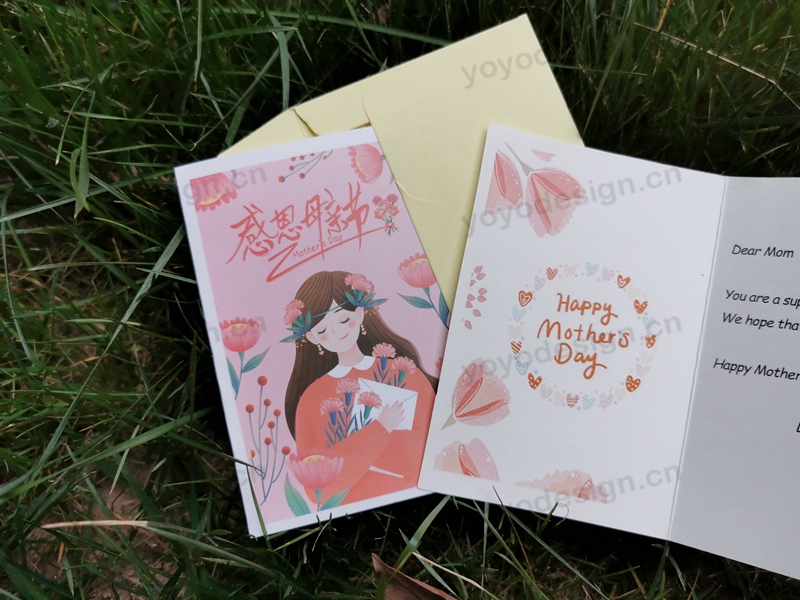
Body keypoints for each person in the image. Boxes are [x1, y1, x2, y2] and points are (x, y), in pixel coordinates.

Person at [281, 271, 437, 506]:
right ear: (312, 337)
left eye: (344, 320)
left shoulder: (403, 371)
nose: (336, 332)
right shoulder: (311, 399)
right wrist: (380, 428)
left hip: (423, 496)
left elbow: (436, 447)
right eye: (322, 330)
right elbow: (316, 489)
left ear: (360, 314)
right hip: (354, 509)